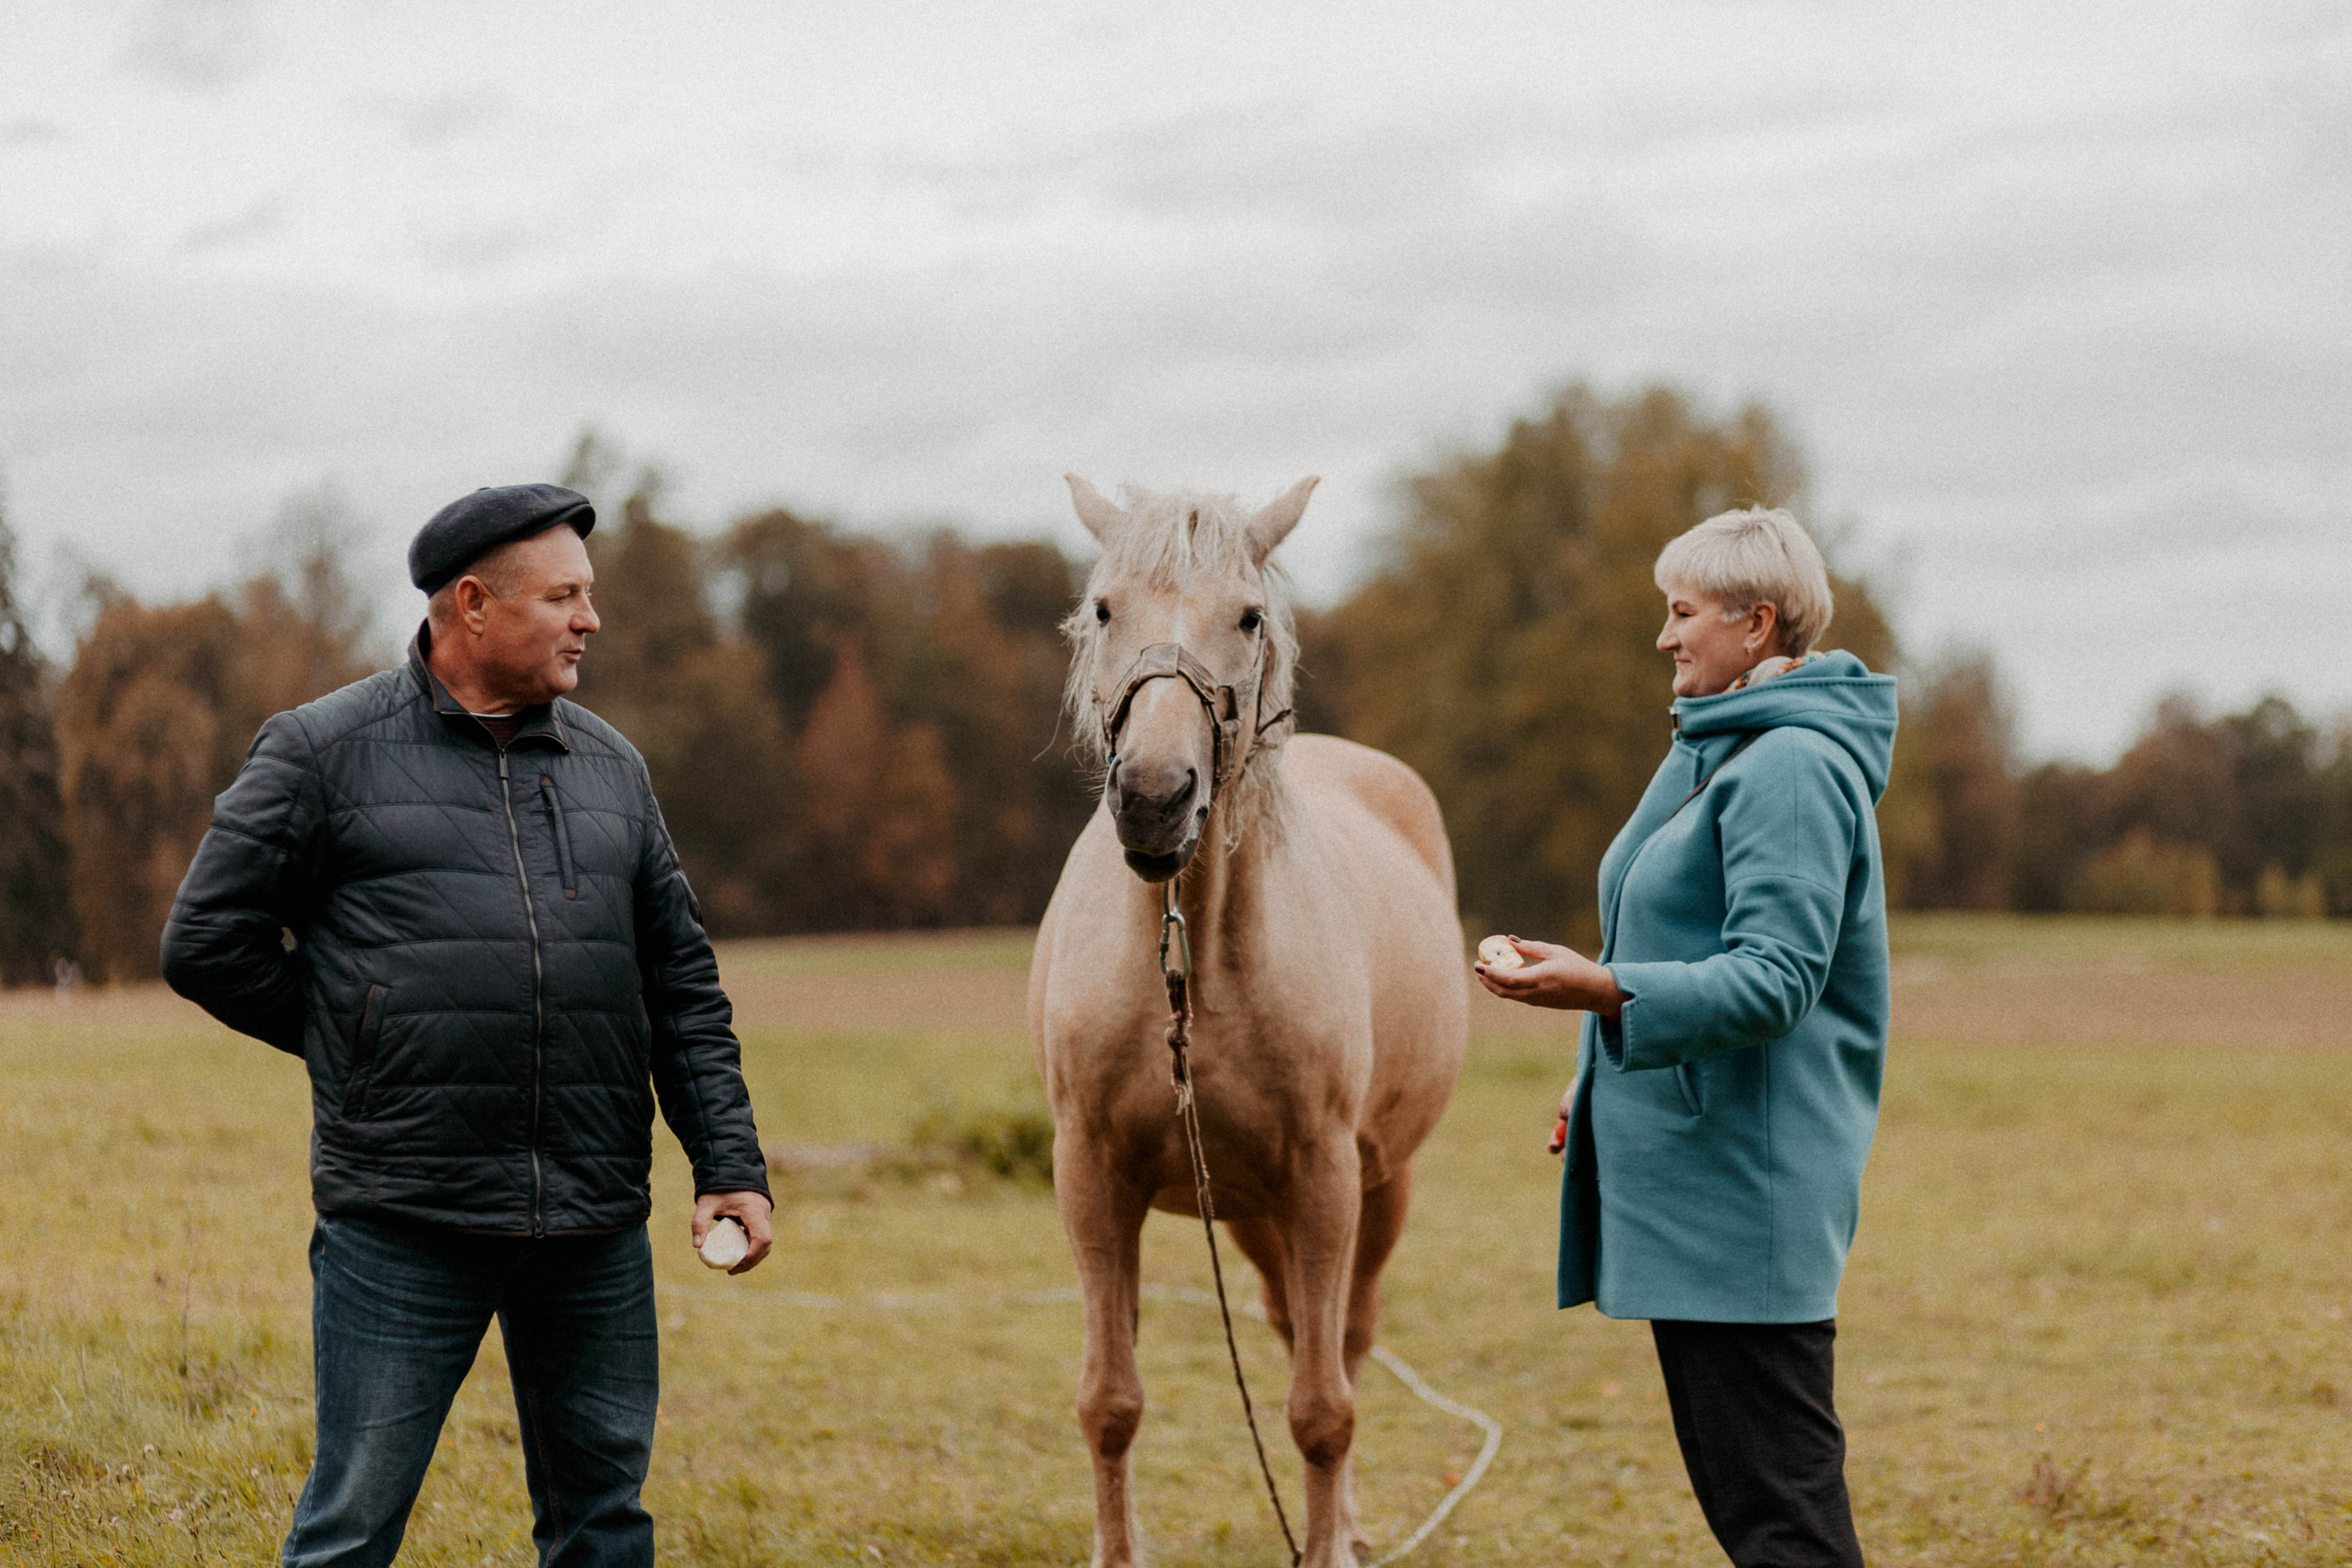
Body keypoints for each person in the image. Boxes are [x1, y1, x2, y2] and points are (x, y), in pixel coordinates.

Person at [162, 483, 775, 1568]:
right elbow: (206, 940)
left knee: (604, 1520)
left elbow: (679, 981)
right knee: (352, 1525)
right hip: (406, 1219)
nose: (592, 620)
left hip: (592, 1223)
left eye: (591, 597)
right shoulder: (321, 750)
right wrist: (361, 1035)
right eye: (565, 597)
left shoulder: (613, 771)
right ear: (473, 605)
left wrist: (728, 1160)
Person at [1476, 506, 1896, 1568]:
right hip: (1701, 1182)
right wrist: (1598, 1081)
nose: (1664, 638)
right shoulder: (1716, 748)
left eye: (1682, 613)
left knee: (1783, 1529)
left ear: (1757, 625)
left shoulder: (1790, 766)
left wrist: (1604, 989)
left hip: (1745, 1203)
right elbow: (1686, 936)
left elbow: (1778, 977)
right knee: (1752, 1514)